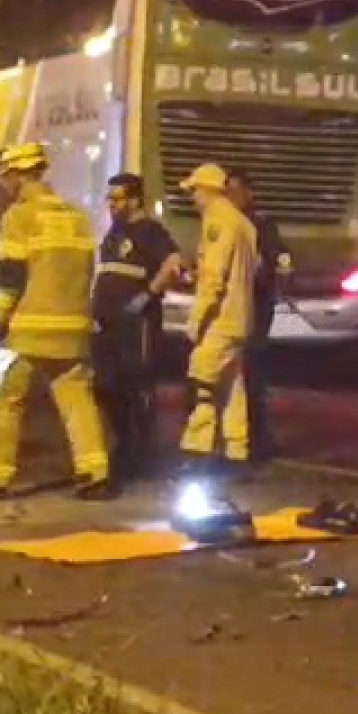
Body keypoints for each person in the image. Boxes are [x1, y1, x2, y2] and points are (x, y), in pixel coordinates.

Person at [0, 142, 114, 500]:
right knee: (77, 399)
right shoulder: (77, 216)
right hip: (73, 326)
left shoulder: (19, 216)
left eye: (6, 177)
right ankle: (96, 472)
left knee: (5, 397)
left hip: (28, 328)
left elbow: (11, 276)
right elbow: (89, 272)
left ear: (15, 175)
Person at [91, 173, 182, 481]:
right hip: (106, 322)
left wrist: (148, 295)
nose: (111, 205)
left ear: (134, 199)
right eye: (109, 199)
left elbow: (173, 264)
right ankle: (125, 443)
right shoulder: (113, 234)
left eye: (116, 199)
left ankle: (142, 454)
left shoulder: (150, 232)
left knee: (137, 385)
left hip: (135, 322)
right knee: (105, 385)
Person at [178, 162, 258, 474]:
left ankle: (196, 453)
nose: (193, 197)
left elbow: (215, 276)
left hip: (219, 319)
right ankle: (237, 451)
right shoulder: (243, 223)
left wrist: (196, 319)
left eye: (195, 190)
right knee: (232, 387)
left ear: (208, 190)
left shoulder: (217, 222)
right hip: (240, 318)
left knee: (203, 381)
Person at [224, 167, 292, 460]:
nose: (232, 197)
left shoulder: (261, 225)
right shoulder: (222, 222)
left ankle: (257, 437)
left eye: (237, 191)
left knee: (251, 371)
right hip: (229, 307)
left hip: (254, 305)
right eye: (228, 192)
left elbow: (279, 258)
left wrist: (280, 271)